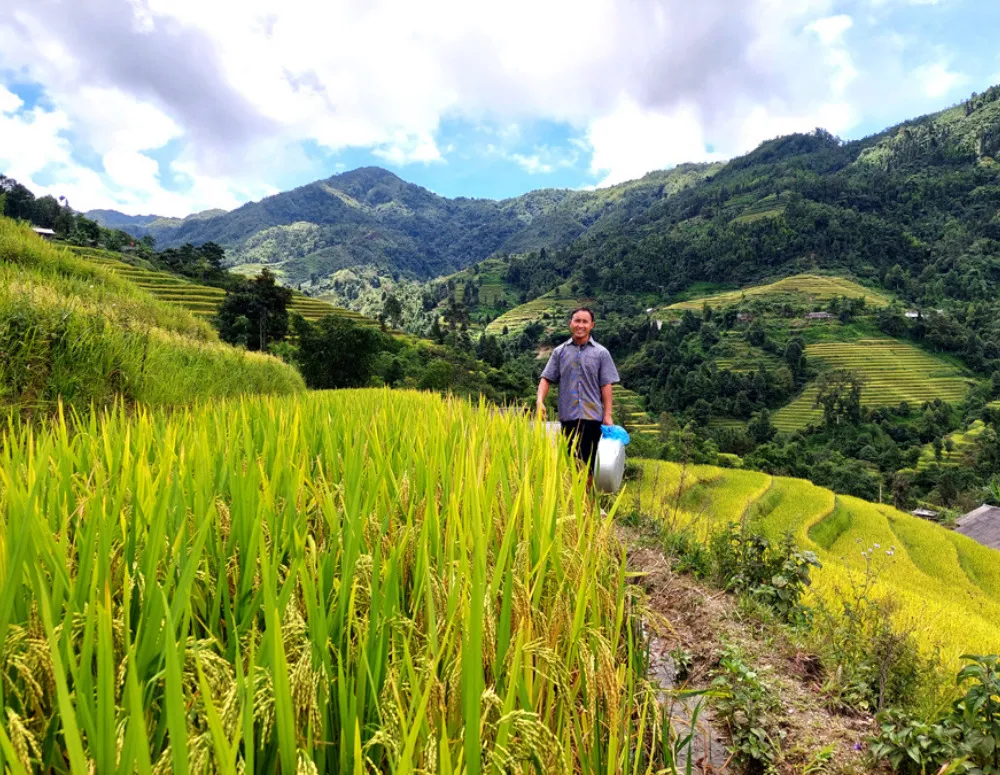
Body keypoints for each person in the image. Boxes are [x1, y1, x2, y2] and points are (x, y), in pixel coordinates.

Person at [536, 306, 620, 479]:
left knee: (591, 465)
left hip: (592, 418)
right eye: (577, 321)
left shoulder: (601, 353)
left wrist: (608, 415)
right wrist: (539, 401)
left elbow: (606, 385)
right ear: (570, 323)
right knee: (570, 462)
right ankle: (573, 500)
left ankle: (588, 502)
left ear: (592, 325)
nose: (580, 325)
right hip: (568, 417)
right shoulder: (560, 352)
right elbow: (546, 378)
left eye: (585, 321)